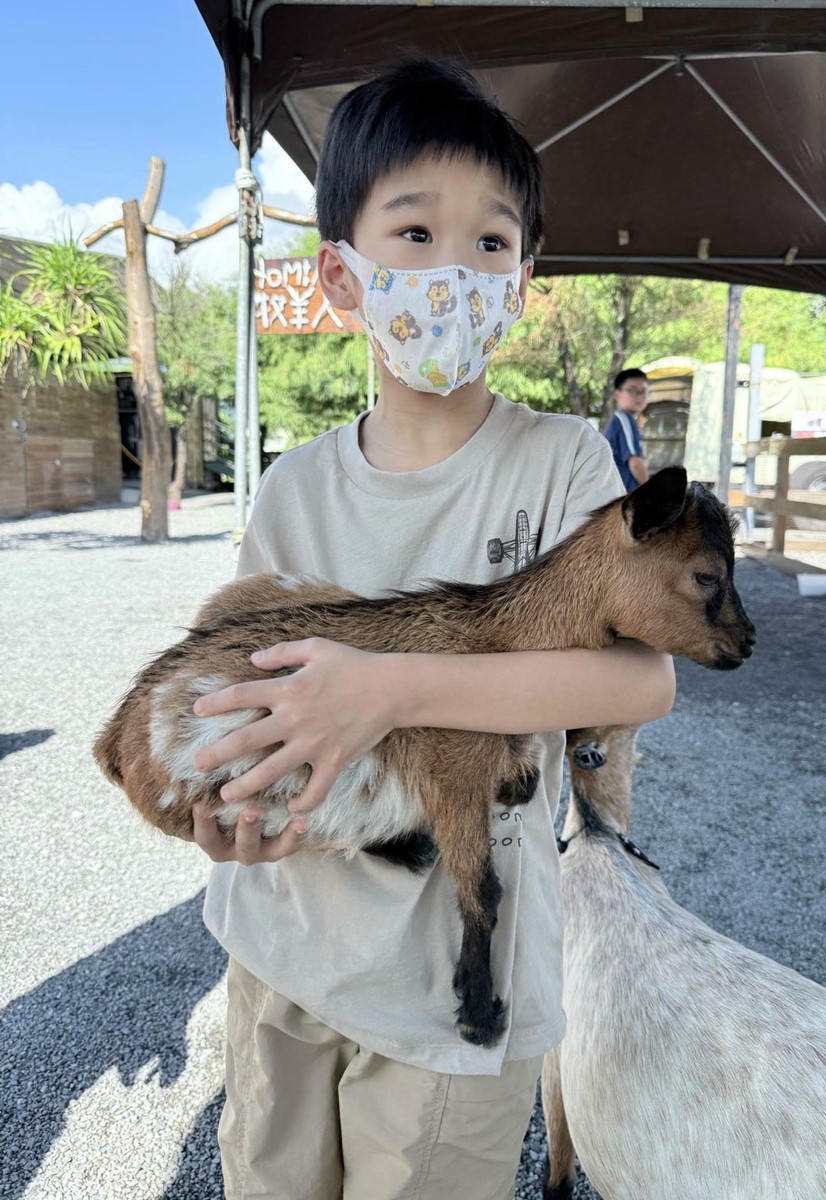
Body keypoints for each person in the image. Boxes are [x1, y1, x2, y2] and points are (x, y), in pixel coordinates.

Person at [187, 61, 675, 1200]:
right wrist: (217, 811)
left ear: (523, 278)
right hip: (281, 941)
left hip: (457, 984)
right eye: (413, 232)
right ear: (344, 280)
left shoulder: (561, 465)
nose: (455, 271)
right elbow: (240, 688)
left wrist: (391, 688)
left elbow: (638, 678)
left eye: (492, 244)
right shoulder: (292, 488)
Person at [603, 367, 650, 492]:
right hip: (624, 495)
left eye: (643, 391)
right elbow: (635, 464)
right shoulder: (624, 420)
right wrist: (652, 491)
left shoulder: (623, 420)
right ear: (617, 394)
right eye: (633, 391)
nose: (639, 397)